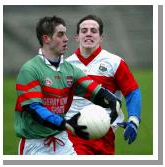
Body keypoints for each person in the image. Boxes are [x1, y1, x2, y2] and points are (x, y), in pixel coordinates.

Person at [14, 15, 121, 155]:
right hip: (35, 144)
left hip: (62, 140)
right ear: (46, 39)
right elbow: (35, 109)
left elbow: (95, 91)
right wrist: (65, 124)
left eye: (65, 33)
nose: (66, 38)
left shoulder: (70, 70)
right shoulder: (30, 70)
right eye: (60, 34)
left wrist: (112, 101)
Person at [65, 15, 142, 155]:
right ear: (77, 37)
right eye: (84, 30)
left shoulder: (115, 62)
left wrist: (134, 119)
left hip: (105, 133)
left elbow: (132, 91)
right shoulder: (65, 66)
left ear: (101, 37)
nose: (88, 33)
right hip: (74, 134)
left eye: (93, 31)